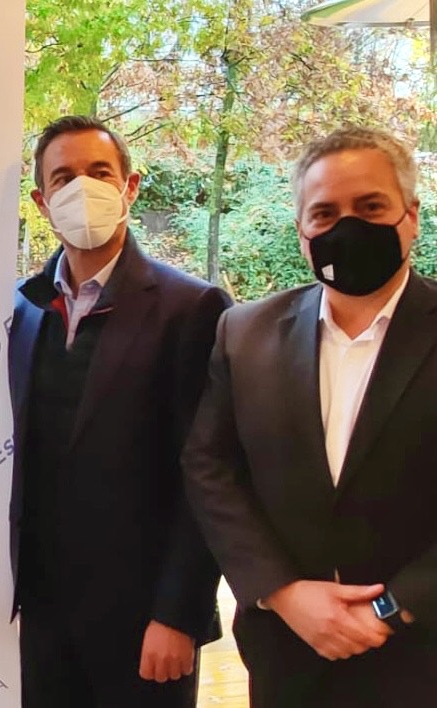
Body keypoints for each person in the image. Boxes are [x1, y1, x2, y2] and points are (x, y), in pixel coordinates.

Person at [183, 126, 437, 707]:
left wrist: (390, 608)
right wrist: (282, 592)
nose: (347, 227)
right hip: (287, 657)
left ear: (411, 216)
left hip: (421, 654)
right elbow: (208, 467)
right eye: (325, 213)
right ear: (302, 232)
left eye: (370, 207)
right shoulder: (244, 333)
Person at [8, 115, 230, 707]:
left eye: (100, 172)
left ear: (129, 187)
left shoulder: (193, 308)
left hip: (145, 621)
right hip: (45, 613)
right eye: (64, 177)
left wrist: (179, 615)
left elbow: (207, 475)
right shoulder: (25, 309)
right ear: (42, 201)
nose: (83, 187)